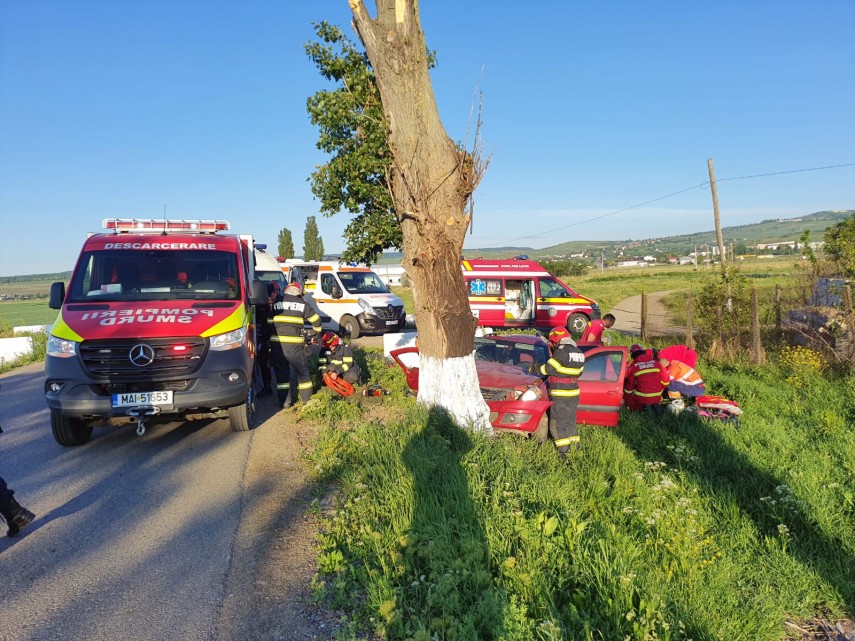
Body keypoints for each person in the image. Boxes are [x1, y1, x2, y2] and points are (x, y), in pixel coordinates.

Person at [269, 281, 323, 408]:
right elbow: (317, 321)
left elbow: (269, 321)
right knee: (302, 372)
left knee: (281, 374)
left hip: (278, 345)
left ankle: (285, 402)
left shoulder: (277, 302)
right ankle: (307, 401)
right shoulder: (302, 304)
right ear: (299, 293)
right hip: (295, 345)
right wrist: (315, 335)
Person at [539, 327, 586, 459]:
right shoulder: (579, 352)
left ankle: (564, 454)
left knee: (557, 424)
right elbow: (580, 372)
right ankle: (576, 449)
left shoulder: (561, 352)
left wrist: (534, 367)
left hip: (560, 393)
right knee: (570, 421)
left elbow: (547, 369)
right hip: (573, 392)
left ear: (556, 341)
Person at [623, 344, 669, 413]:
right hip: (657, 396)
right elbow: (666, 379)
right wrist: (659, 387)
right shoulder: (655, 363)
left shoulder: (634, 367)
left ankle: (636, 411)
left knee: (631, 393)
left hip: (642, 399)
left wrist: (625, 395)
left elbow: (630, 387)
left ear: (632, 355)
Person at [257, 281, 281, 398]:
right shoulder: (261, 305)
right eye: (275, 291)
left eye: (278, 291)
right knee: (263, 363)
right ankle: (267, 386)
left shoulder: (280, 304)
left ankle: (281, 387)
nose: (276, 294)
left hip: (278, 339)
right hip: (264, 339)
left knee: (278, 364)